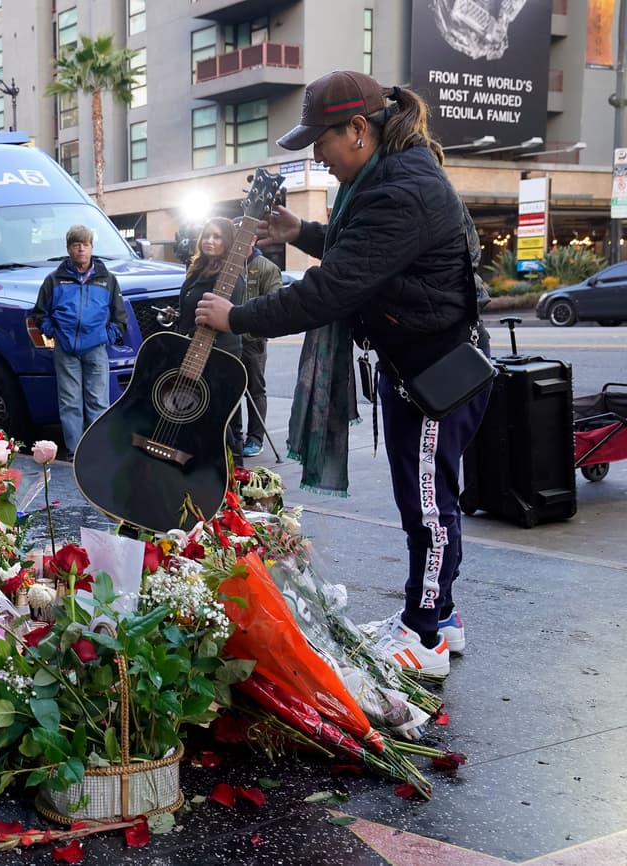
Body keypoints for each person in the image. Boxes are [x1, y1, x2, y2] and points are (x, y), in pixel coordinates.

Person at [194, 70, 490, 678]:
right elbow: (368, 258)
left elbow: (331, 291)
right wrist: (300, 232)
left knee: (429, 509)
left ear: (358, 129)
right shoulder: (391, 177)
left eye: (321, 142)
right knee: (426, 502)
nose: (317, 158)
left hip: (438, 377)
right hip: (421, 366)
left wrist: (237, 316)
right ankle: (439, 616)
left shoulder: (397, 191)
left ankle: (427, 633)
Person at [32, 224, 129, 458]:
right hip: (65, 350)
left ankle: (98, 450)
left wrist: (107, 336)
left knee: (98, 402)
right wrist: (52, 332)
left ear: (92, 247)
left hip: (96, 348)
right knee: (70, 403)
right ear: (69, 249)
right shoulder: (54, 280)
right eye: (76, 246)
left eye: (85, 245)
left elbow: (119, 316)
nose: (81, 250)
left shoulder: (107, 280)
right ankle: (76, 452)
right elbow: (39, 313)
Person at [175, 217, 247, 462]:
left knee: (215, 413)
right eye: (206, 235)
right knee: (193, 411)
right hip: (190, 347)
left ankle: (233, 468)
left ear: (227, 242)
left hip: (218, 352)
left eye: (216, 237)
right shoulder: (198, 269)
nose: (209, 241)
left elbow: (226, 316)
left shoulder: (230, 276)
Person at [237, 250, 283, 457]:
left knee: (255, 389)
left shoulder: (266, 268)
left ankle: (255, 439)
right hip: (228, 340)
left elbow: (274, 303)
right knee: (230, 390)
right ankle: (233, 437)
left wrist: (256, 329)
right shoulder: (226, 264)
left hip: (252, 341)